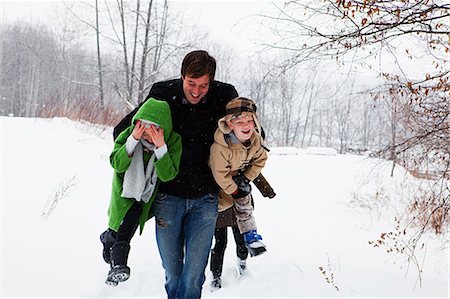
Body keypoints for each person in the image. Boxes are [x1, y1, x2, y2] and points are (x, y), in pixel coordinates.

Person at [113, 50, 239, 298]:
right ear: (181, 76)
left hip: (206, 199)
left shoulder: (224, 96)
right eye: (191, 84)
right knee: (173, 273)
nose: (196, 91)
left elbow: (250, 133)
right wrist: (140, 142)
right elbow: (122, 129)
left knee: (193, 277)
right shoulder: (162, 94)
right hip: (168, 198)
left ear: (211, 82)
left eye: (203, 86)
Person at [100, 98, 182, 286]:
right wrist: (133, 140)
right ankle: (115, 260)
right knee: (119, 231)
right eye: (144, 125)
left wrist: (161, 147)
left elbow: (168, 174)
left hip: (145, 198)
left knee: (125, 230)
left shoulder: (172, 141)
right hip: (124, 194)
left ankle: (116, 262)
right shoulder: (129, 136)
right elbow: (117, 164)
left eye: (155, 127)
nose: (148, 132)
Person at [209, 97, 268, 259]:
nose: (246, 125)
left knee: (245, 206)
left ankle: (251, 236)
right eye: (240, 122)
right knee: (215, 221)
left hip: (238, 180)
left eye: (250, 120)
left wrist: (245, 179)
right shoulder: (221, 146)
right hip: (217, 186)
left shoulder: (255, 140)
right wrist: (234, 190)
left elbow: (261, 159)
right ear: (229, 124)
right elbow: (220, 173)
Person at [209, 202, 250, 291]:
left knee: (241, 241)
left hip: (237, 207)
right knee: (220, 243)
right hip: (221, 207)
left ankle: (242, 263)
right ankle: (215, 276)